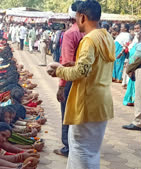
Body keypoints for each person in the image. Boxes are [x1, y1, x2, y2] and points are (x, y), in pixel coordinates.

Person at [47, 0, 115, 169]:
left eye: (76, 17)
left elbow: (82, 72)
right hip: (100, 99)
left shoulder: (89, 39)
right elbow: (91, 66)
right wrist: (74, 63)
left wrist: (58, 70)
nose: (76, 21)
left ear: (82, 17)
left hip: (88, 101)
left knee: (82, 147)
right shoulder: (106, 36)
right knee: (84, 146)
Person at [53, 1, 84, 157]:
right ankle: (79, 144)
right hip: (87, 79)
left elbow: (65, 62)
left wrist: (61, 86)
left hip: (72, 78)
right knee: (80, 112)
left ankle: (68, 147)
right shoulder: (94, 33)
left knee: (67, 113)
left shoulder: (70, 33)